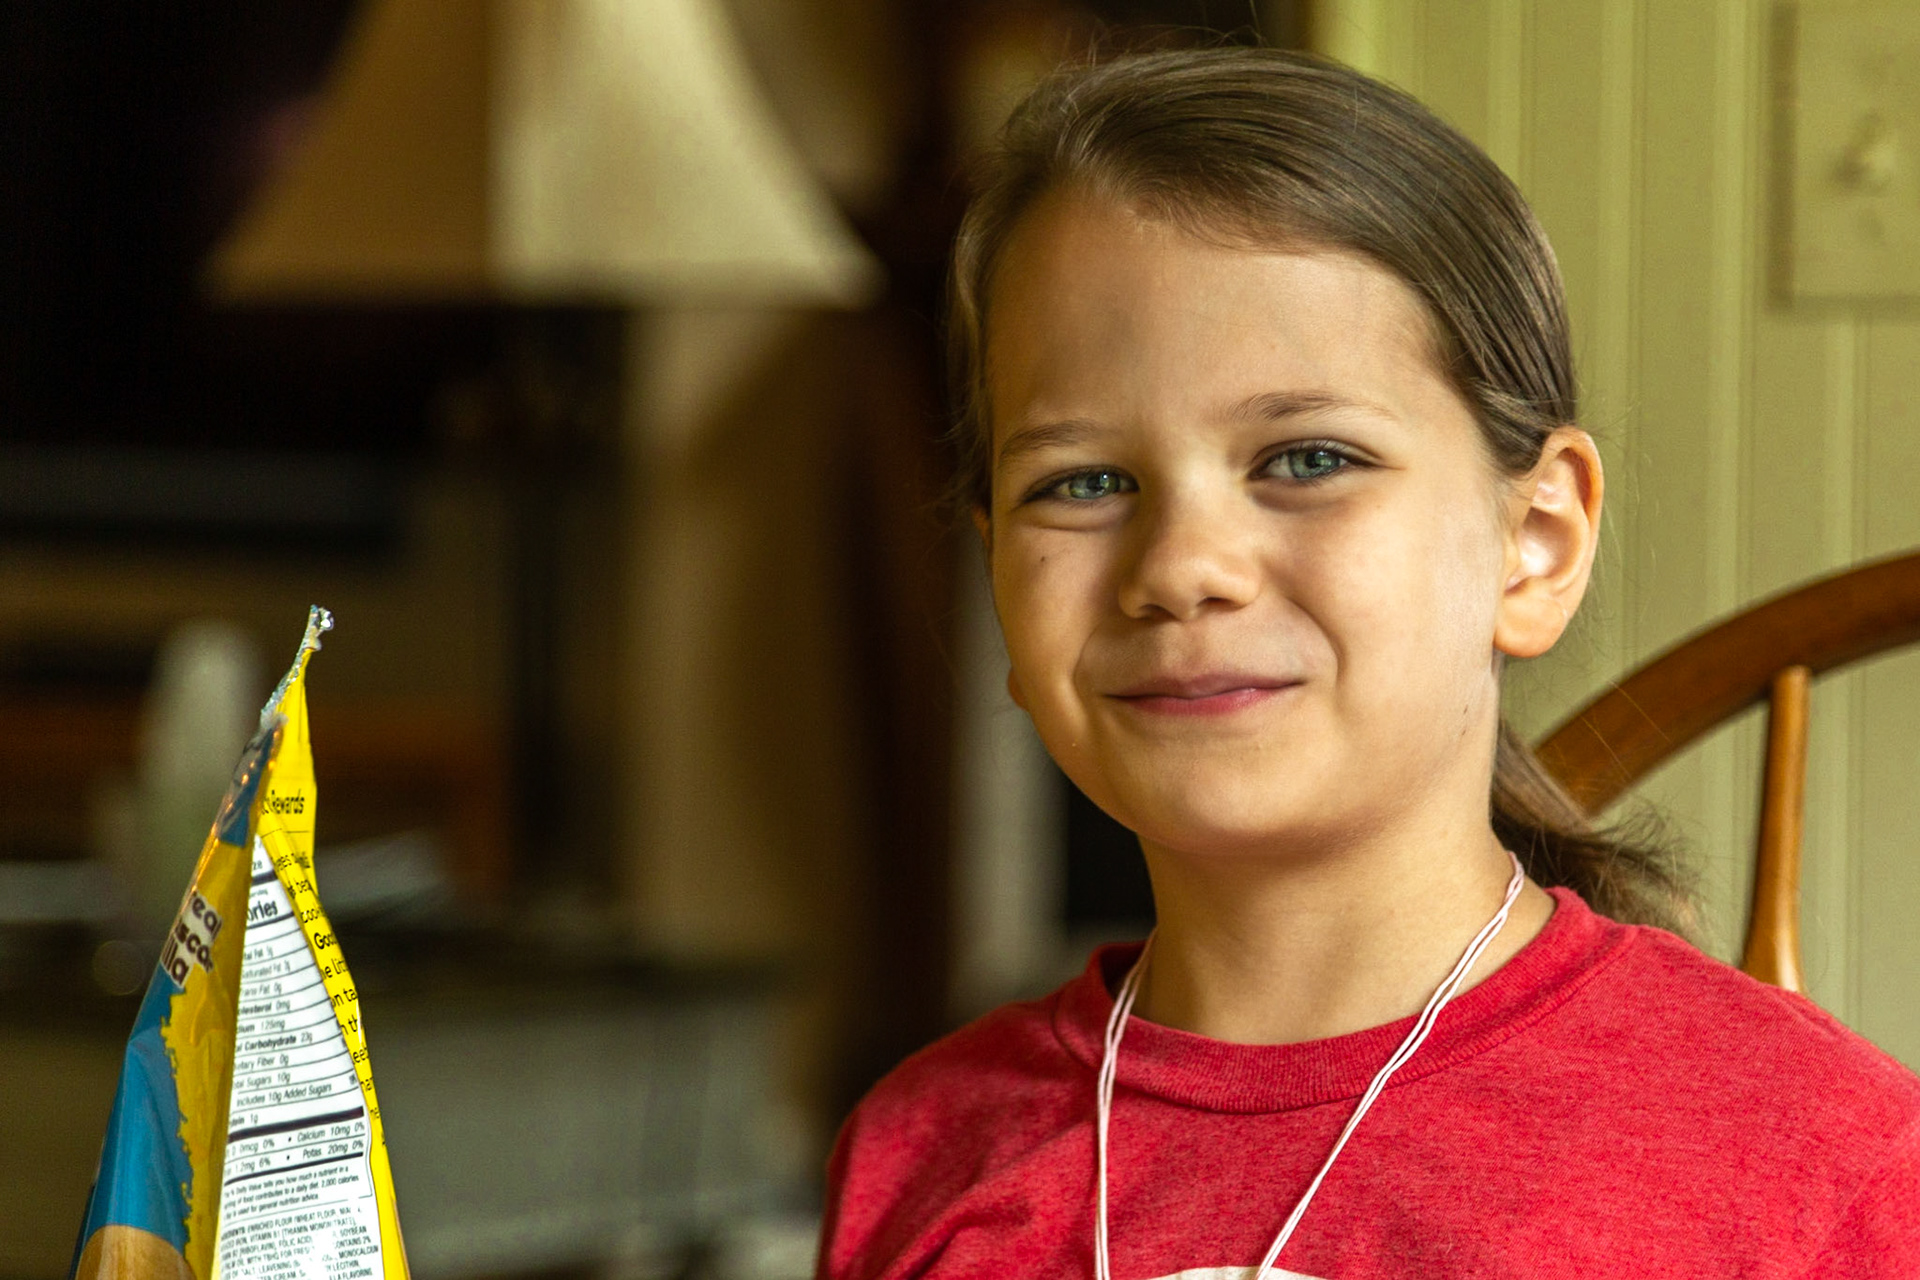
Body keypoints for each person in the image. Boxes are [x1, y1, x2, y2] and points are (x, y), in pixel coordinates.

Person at [816, 48, 1920, 1279]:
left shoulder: (1815, 1162)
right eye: (1082, 483)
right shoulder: (920, 1150)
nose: (1182, 564)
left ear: (1534, 542)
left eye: (1305, 458)